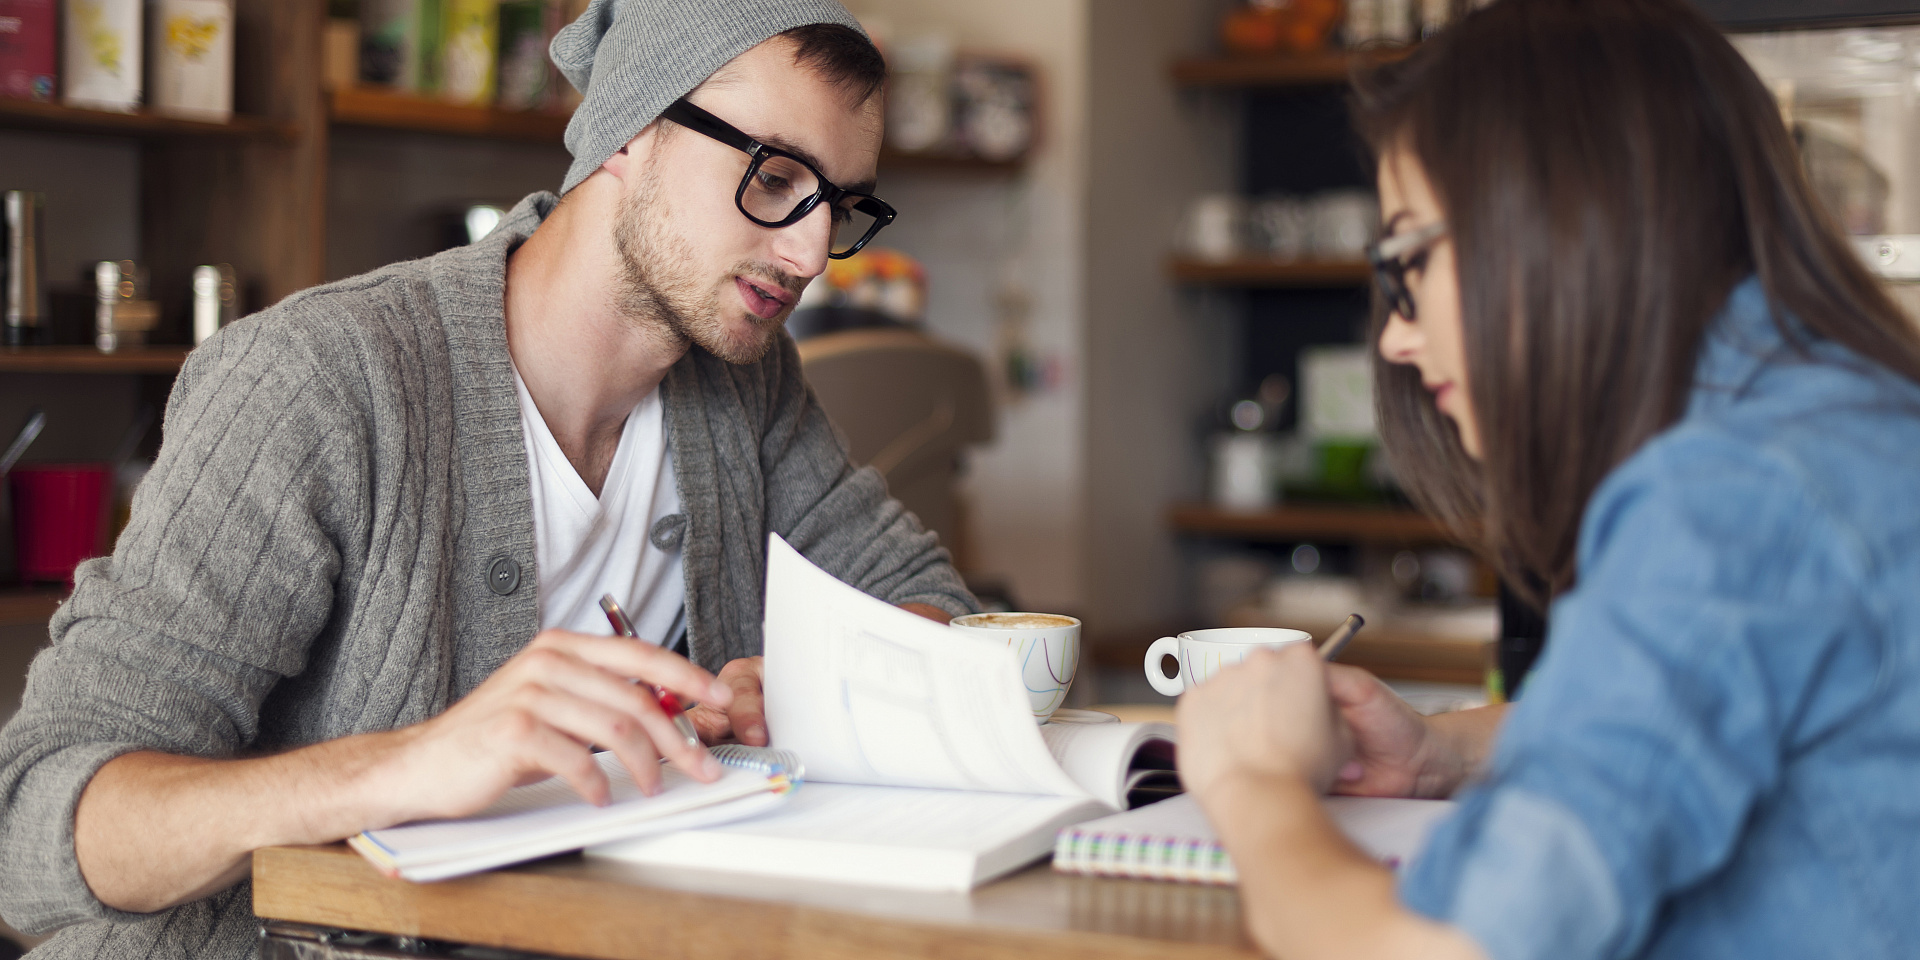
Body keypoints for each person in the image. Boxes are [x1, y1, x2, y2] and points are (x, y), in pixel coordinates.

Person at [0, 2, 976, 956]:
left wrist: (818, 686)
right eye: (774, 177)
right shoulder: (322, 380)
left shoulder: (746, 383)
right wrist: (414, 765)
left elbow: (932, 607)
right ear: (633, 128)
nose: (810, 251)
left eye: (841, 204)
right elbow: (36, 826)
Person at [1176, 1, 1920, 958]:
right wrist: (1449, 748)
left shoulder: (1726, 499)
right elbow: (1710, 712)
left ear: (1555, 219)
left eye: (1408, 259)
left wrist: (1252, 785)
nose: (1397, 335)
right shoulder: (1840, 420)